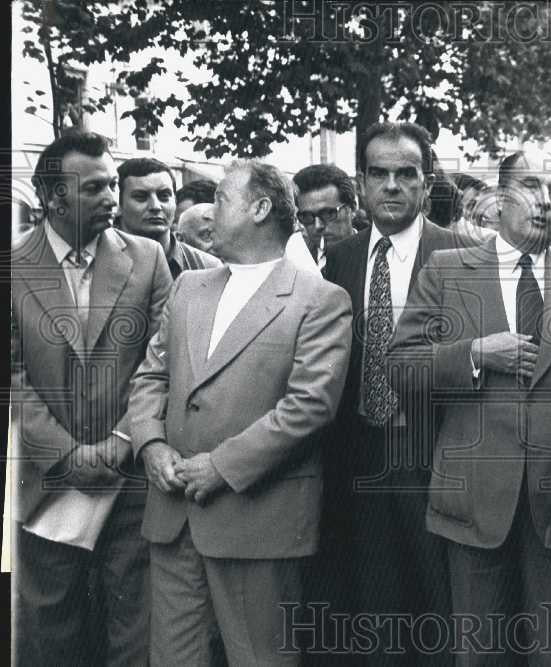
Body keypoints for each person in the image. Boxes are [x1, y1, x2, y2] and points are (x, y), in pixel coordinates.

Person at [388, 147, 551, 666]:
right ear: (499, 198)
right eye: (531, 187)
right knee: (480, 652)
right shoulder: (447, 269)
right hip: (473, 499)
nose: (545, 201)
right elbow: (400, 365)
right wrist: (474, 353)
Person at [129, 159, 352, 666]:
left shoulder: (319, 300)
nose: (209, 211)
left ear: (260, 208)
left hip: (257, 520)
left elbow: (309, 406)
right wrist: (151, 444)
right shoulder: (189, 287)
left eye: (222, 199)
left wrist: (221, 467)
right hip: (174, 517)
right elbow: (151, 377)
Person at [12, 131, 172, 666]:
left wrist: (125, 438)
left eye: (111, 185)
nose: (111, 197)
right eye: (94, 188)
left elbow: (163, 358)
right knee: (51, 631)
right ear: (52, 197)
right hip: (46, 482)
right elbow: (11, 377)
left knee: (134, 632)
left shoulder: (147, 258)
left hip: (130, 480)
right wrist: (65, 452)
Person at [314, 121, 470, 665]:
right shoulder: (341, 258)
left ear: (427, 183)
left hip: (434, 454)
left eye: (407, 173)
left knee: (439, 604)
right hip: (358, 452)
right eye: (379, 173)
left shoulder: (463, 255)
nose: (392, 185)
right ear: (361, 183)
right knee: (373, 607)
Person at [117, 157, 221, 278]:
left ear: (175, 201)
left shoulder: (208, 267)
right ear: (119, 204)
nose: (156, 206)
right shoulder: (103, 262)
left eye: (164, 196)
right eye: (141, 197)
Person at [292, 163, 358, 270]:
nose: (318, 226)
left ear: (352, 209)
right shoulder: (294, 262)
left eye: (328, 214)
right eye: (307, 216)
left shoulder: (373, 257)